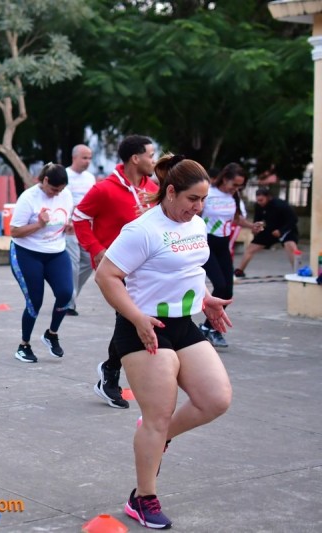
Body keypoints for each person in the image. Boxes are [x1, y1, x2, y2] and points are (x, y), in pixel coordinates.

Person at [94, 154, 232, 530]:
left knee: (216, 399)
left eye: (203, 200)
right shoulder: (142, 230)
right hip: (144, 326)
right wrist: (136, 317)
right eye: (192, 199)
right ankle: (143, 498)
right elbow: (106, 276)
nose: (198, 207)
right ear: (171, 193)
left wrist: (206, 299)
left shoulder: (196, 224)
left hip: (183, 322)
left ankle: (156, 435)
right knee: (159, 414)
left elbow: (189, 270)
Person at [73, 135, 159, 409]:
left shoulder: (152, 188)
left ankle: (111, 370)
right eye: (151, 155)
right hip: (116, 271)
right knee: (129, 318)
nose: (154, 160)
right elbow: (79, 218)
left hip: (146, 269)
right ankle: (111, 374)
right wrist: (96, 250)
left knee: (132, 320)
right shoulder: (104, 189)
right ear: (136, 158)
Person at [8, 163, 73, 363]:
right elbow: (14, 231)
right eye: (54, 189)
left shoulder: (66, 195)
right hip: (27, 253)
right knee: (35, 301)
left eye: (60, 190)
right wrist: (39, 224)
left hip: (56, 252)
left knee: (66, 294)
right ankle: (24, 345)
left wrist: (68, 226)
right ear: (45, 180)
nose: (57, 194)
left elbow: (64, 220)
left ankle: (51, 334)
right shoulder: (29, 198)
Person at [199, 163, 262, 348]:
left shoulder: (234, 196)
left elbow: (237, 219)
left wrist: (252, 226)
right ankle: (210, 327)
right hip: (206, 244)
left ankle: (209, 328)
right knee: (219, 286)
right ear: (225, 178)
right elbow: (195, 213)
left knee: (228, 291)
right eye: (234, 184)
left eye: (240, 186)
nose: (236, 188)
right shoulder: (208, 192)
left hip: (223, 245)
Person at [234, 188, 300, 277]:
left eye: (261, 200)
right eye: (258, 200)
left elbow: (293, 219)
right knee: (251, 248)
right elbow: (257, 219)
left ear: (268, 197)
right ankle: (240, 271)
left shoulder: (280, 205)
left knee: (291, 247)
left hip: (286, 230)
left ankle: (297, 272)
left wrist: (281, 231)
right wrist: (255, 228)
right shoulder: (258, 206)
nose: (259, 202)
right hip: (269, 230)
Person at [64, 144, 97, 316]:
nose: (87, 161)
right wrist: (69, 219)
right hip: (69, 226)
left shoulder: (90, 178)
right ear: (74, 158)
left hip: (86, 226)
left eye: (90, 158)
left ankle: (68, 296)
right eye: (84, 158)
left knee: (89, 261)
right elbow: (62, 200)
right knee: (73, 263)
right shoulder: (65, 175)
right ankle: (68, 303)